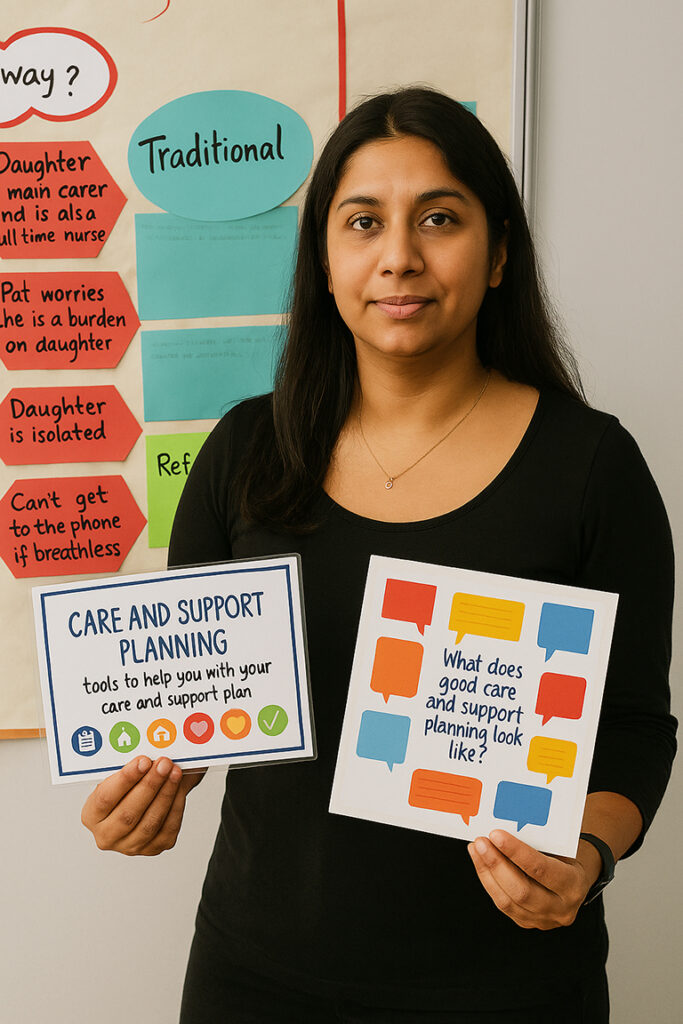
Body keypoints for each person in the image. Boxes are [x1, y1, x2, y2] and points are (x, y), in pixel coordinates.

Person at [81, 88, 676, 1022]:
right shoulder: (244, 453)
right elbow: (192, 705)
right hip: (257, 978)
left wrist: (587, 856)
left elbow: (636, 727)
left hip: (512, 985)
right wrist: (150, 788)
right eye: (363, 222)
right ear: (323, 259)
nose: (399, 255)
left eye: (439, 218)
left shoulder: (591, 466)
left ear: (499, 253)